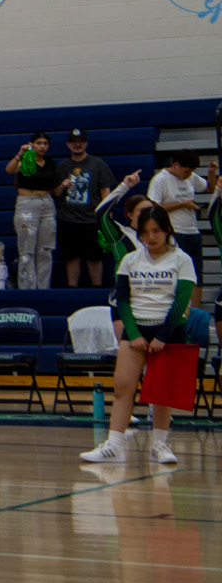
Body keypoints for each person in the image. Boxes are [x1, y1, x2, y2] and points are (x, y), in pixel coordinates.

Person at [81, 207, 197, 466]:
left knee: (162, 392)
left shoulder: (182, 260)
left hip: (170, 331)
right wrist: (133, 334)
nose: (151, 237)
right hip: (136, 332)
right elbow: (122, 300)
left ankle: (159, 445)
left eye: (156, 231)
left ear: (167, 230)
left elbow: (181, 301)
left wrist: (163, 337)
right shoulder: (130, 261)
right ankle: (114, 445)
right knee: (123, 386)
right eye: (145, 232)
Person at [148, 151, 215, 305]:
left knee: (196, 277)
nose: (188, 175)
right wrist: (183, 204)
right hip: (175, 232)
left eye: (191, 172)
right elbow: (154, 208)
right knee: (177, 275)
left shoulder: (191, 177)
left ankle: (195, 313)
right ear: (176, 165)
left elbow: (210, 188)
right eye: (186, 171)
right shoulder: (160, 180)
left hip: (193, 231)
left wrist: (211, 173)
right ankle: (178, 312)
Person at [53, 130, 114, 289]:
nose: (77, 144)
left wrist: (107, 215)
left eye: (80, 141)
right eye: (73, 141)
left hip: (91, 219)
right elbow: (56, 193)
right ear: (68, 144)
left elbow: (105, 191)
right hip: (67, 219)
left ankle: (97, 287)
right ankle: (72, 287)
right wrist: (63, 185)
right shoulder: (62, 167)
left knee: (95, 257)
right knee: (71, 257)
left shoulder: (98, 164)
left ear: (86, 143)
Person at [5, 131, 58, 289]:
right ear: (32, 144)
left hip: (47, 203)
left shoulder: (50, 163)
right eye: (39, 143)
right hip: (27, 202)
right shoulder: (27, 160)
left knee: (45, 249)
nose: (42, 146)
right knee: (27, 249)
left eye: (45, 143)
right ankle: (27, 288)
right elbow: (10, 169)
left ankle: (43, 287)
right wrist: (20, 153)